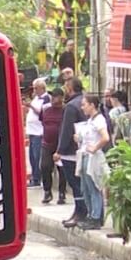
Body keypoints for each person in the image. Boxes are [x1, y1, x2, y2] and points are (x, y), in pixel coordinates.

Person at [66, 93, 110, 231]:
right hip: (84, 155)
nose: (82, 107)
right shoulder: (90, 120)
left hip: (93, 157)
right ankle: (91, 215)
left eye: (85, 104)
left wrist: (95, 147)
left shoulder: (99, 120)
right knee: (85, 188)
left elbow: (105, 138)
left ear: (92, 105)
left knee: (93, 187)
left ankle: (96, 217)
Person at [54, 78, 88, 224]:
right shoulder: (86, 102)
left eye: (66, 87)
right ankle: (79, 211)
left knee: (75, 184)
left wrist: (59, 150)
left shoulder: (71, 107)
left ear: (71, 88)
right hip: (85, 149)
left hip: (71, 152)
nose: (65, 90)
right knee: (82, 183)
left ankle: (80, 211)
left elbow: (66, 130)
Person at [40, 88, 68, 205]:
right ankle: (47, 191)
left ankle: (62, 193)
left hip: (60, 144)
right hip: (47, 143)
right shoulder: (46, 109)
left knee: (62, 169)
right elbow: (42, 121)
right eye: (52, 96)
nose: (52, 99)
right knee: (44, 167)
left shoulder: (65, 110)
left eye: (55, 96)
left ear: (61, 98)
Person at [24, 79, 50, 188]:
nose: (34, 90)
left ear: (42, 88)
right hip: (32, 131)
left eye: (36, 88)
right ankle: (34, 177)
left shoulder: (46, 99)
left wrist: (31, 107)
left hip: (39, 132)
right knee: (32, 157)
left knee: (37, 156)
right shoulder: (36, 98)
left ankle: (37, 178)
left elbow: (42, 113)